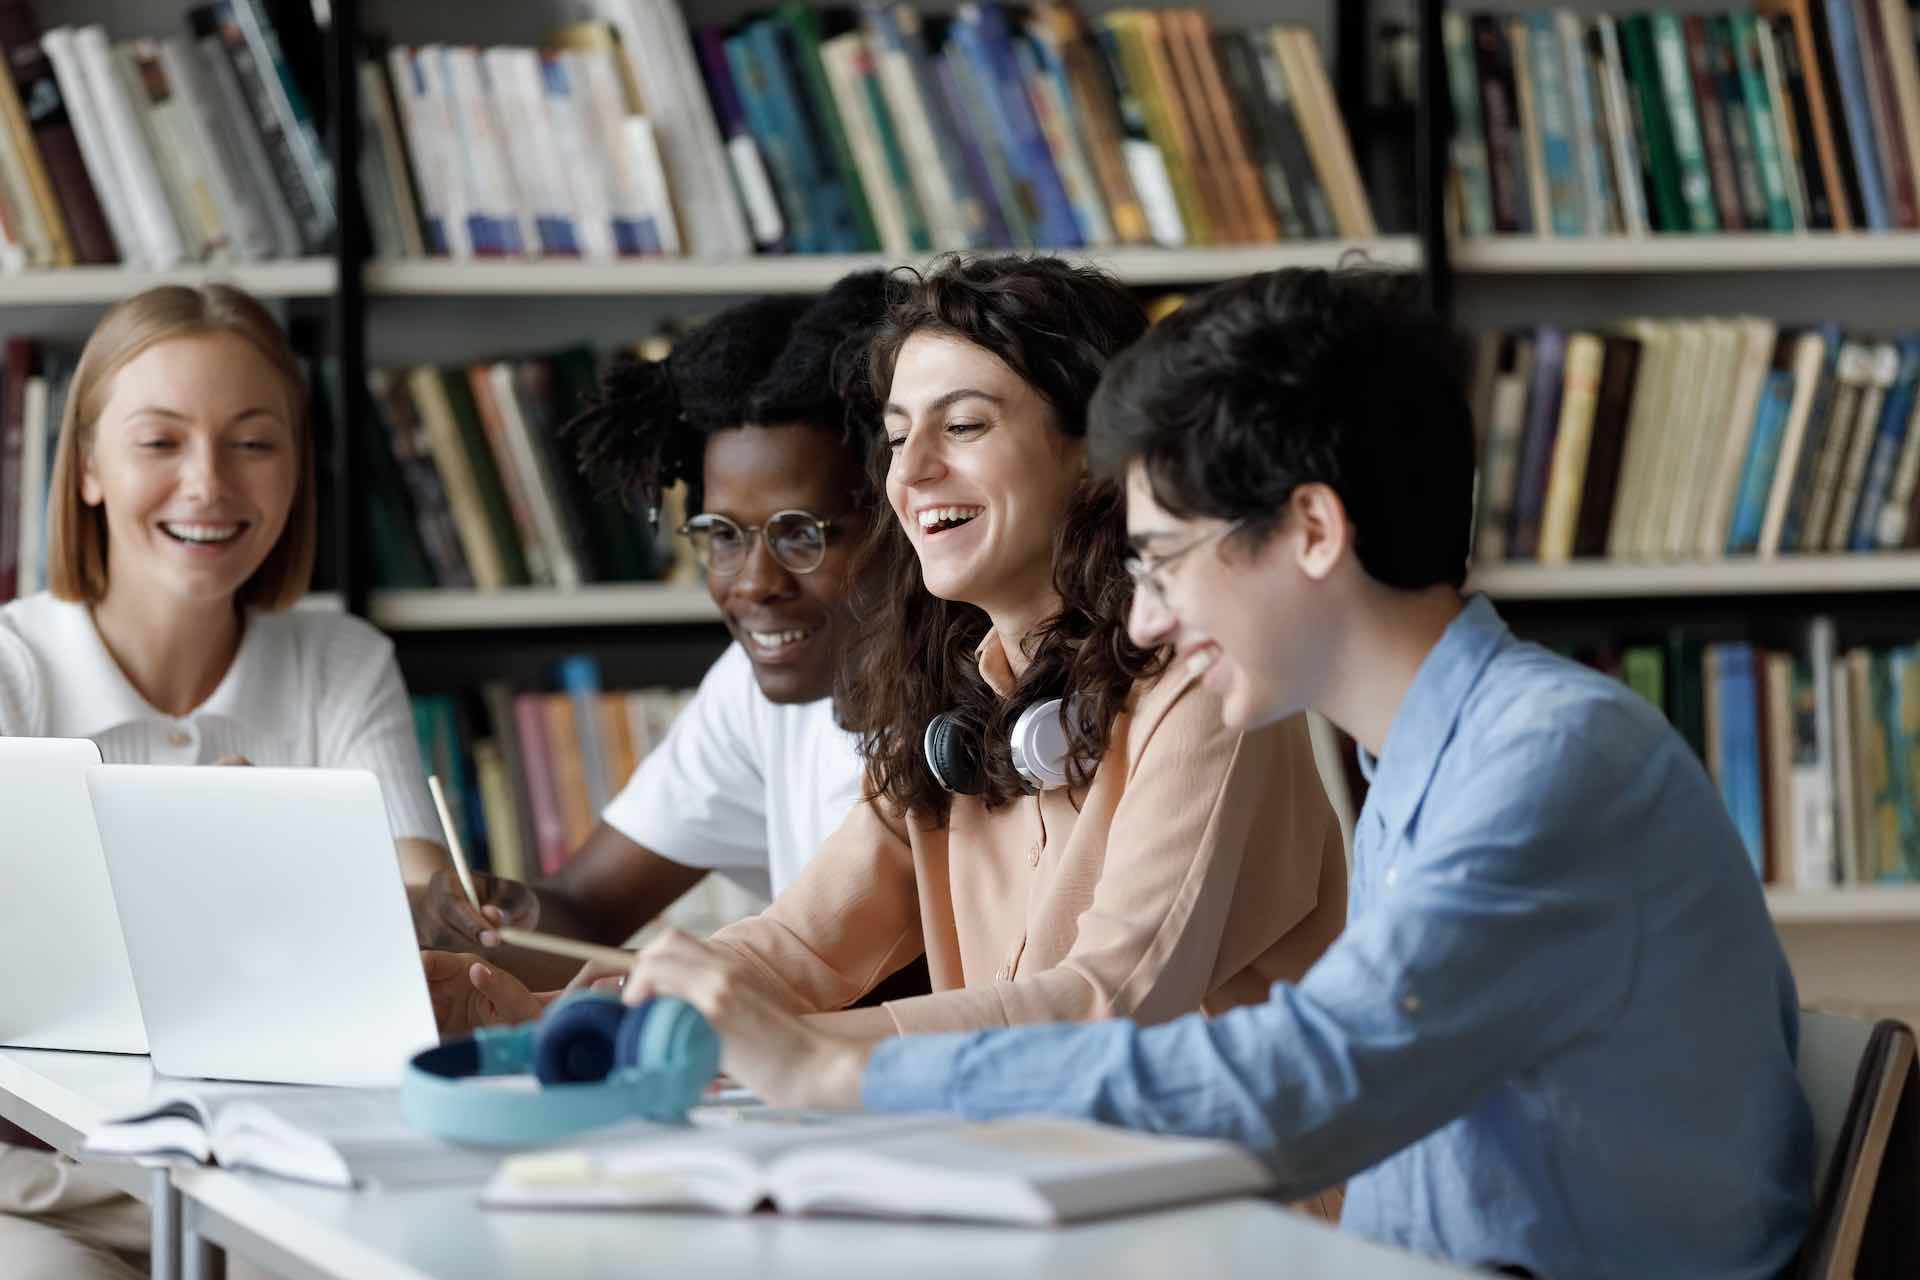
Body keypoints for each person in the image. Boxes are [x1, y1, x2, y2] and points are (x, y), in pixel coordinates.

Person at [619, 267, 1812, 1279]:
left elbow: (1308, 1076)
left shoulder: (1544, 762)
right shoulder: (1431, 760)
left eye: (1164, 559)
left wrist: (839, 1066)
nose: (1137, 618)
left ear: (1309, 530)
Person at [605, 255, 1345, 1076]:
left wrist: (800, 1047)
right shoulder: (950, 700)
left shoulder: (1207, 676)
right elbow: (797, 947)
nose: (910, 470)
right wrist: (602, 1014)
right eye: (895, 436)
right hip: (1028, 1172)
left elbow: (1113, 1002)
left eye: (962, 427)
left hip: (1219, 1189)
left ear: (1097, 451)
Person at [0, 284, 446, 1278]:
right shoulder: (12, 668)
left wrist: (433, 906)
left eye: (254, 442)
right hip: (35, 1180)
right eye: (160, 441)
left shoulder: (340, 660)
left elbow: (414, 885)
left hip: (272, 1170)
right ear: (85, 470)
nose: (209, 482)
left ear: (296, 470)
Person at [413, 274, 898, 1023]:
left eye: (802, 534)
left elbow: (883, 989)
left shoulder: (969, 701)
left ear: (901, 515)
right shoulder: (754, 685)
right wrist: (485, 919)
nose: (755, 583)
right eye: (722, 536)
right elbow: (583, 908)